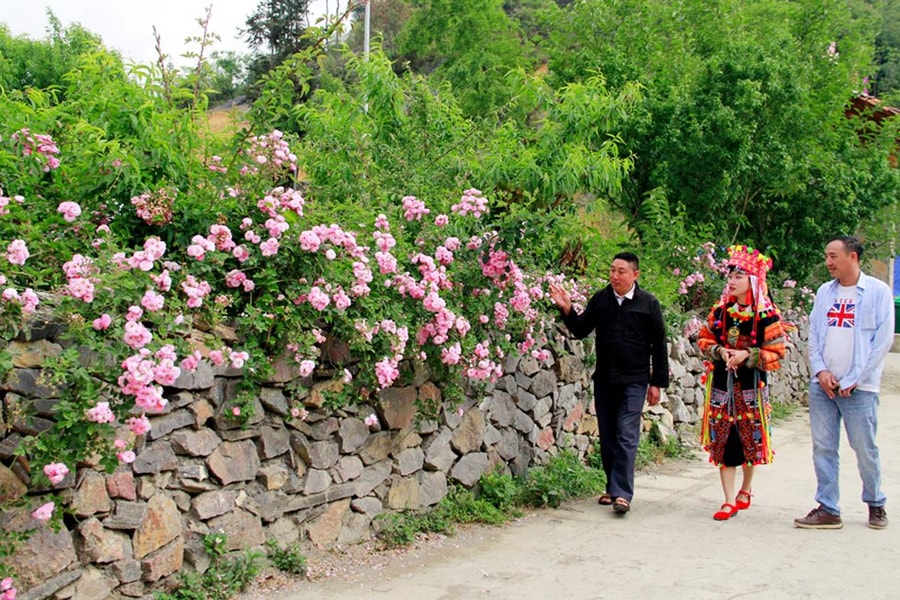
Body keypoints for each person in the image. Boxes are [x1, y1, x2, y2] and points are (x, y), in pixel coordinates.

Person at [549, 252, 669, 514]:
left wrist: (657, 383)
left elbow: (659, 345)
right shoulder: (602, 299)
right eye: (612, 270)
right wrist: (568, 308)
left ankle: (623, 494)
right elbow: (581, 329)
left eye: (621, 271)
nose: (614, 276)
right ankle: (613, 487)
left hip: (635, 381)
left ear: (635, 274)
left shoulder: (648, 304)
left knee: (626, 434)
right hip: (605, 379)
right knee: (608, 437)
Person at [794, 236, 894, 530]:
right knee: (823, 447)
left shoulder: (877, 292)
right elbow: (815, 334)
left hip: (860, 388)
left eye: (834, 256)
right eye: (826, 256)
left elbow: (882, 341)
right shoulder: (825, 292)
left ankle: (875, 502)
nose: (828, 262)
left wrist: (855, 379)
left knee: (864, 448)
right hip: (823, 385)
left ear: (853, 257)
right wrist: (821, 371)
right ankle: (828, 507)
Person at [697, 245, 786, 521]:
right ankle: (726, 499)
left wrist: (748, 354)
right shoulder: (721, 311)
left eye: (738, 277)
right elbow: (704, 339)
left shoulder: (767, 315)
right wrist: (721, 352)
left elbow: (777, 352)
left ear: (753, 281)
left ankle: (745, 490)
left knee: (750, 440)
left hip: (751, 387)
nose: (732, 281)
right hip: (722, 385)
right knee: (723, 439)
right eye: (731, 276)